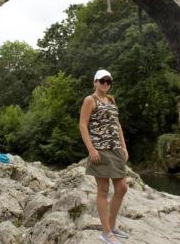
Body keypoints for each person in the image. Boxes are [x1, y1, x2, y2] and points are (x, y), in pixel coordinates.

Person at [79, 70, 130, 244]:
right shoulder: (90, 100)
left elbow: (117, 125)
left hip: (115, 150)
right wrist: (91, 149)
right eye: (102, 81)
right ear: (95, 82)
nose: (105, 84)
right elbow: (83, 125)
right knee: (103, 190)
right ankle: (106, 232)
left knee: (122, 188)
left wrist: (123, 146)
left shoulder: (111, 100)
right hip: (100, 150)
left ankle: (112, 226)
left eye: (108, 81)